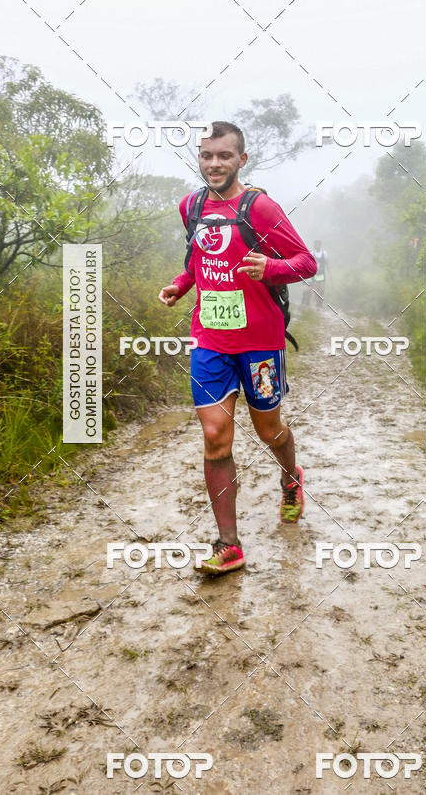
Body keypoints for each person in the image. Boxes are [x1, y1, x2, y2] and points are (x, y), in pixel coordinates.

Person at [158, 121, 317, 574]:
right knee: (214, 437)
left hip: (260, 344)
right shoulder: (191, 206)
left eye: (224, 156)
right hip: (210, 341)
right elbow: (198, 256)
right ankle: (229, 544)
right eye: (207, 155)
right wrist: (181, 285)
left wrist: (270, 267)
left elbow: (305, 263)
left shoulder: (261, 208)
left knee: (269, 431)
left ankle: (290, 477)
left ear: (241, 160)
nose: (214, 164)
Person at [301, 240, 329, 309]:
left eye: (318, 245)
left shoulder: (324, 253)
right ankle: (317, 303)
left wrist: (329, 272)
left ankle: (319, 302)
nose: (317, 246)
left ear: (320, 245)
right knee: (316, 290)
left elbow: (327, 263)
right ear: (314, 246)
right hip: (315, 274)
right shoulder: (312, 254)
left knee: (322, 289)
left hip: (322, 274)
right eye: (316, 245)